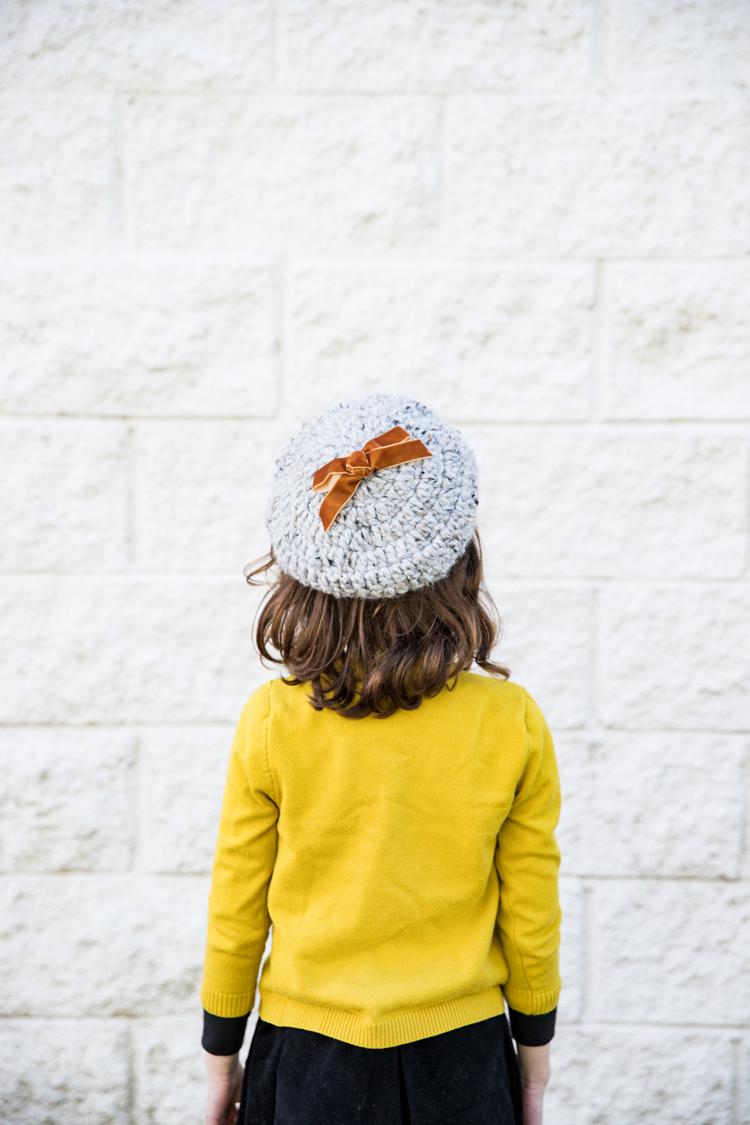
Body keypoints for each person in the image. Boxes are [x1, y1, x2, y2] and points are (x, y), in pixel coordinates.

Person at [201, 394, 561, 1125]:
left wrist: (219, 1054)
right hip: (462, 1058)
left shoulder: (271, 720)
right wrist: (534, 1058)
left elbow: (237, 904)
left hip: (307, 1059)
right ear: (461, 555)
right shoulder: (512, 720)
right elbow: (531, 909)